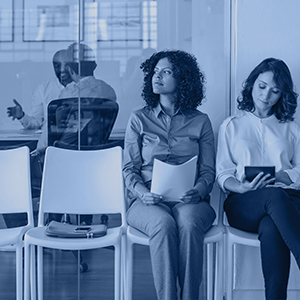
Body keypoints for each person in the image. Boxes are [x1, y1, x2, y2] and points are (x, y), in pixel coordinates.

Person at [123, 50, 216, 300]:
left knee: (187, 223)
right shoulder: (138, 119)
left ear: (183, 79)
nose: (157, 77)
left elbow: (208, 172)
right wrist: (143, 193)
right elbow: (129, 169)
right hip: (146, 200)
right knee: (163, 225)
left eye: (166, 72)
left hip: (190, 200)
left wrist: (198, 190)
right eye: (155, 72)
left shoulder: (201, 121)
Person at [216, 58, 300, 300]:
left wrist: (282, 176)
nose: (266, 95)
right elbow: (222, 172)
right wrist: (241, 186)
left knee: (271, 225)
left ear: (282, 95)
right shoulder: (231, 126)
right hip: (244, 203)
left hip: (287, 200)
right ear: (252, 84)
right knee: (273, 196)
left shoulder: (291, 128)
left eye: (275, 91)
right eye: (262, 86)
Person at [6, 49, 72, 130]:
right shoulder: (43, 89)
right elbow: (36, 123)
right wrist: (21, 116)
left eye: (66, 65)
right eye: (57, 65)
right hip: (50, 140)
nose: (62, 69)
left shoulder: (83, 87)